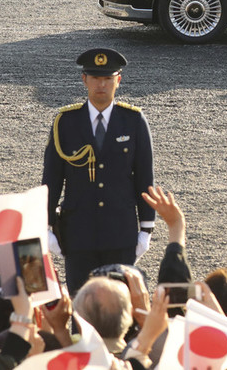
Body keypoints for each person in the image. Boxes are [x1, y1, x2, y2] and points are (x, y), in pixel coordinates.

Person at [42, 48, 155, 294]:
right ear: (84, 80)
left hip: (120, 233)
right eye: (95, 78)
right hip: (78, 235)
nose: (101, 85)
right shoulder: (66, 122)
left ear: (118, 80)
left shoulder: (133, 121)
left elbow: (145, 177)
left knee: (120, 311)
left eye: (107, 78)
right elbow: (51, 179)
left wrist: (146, 229)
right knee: (81, 310)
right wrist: (46, 225)